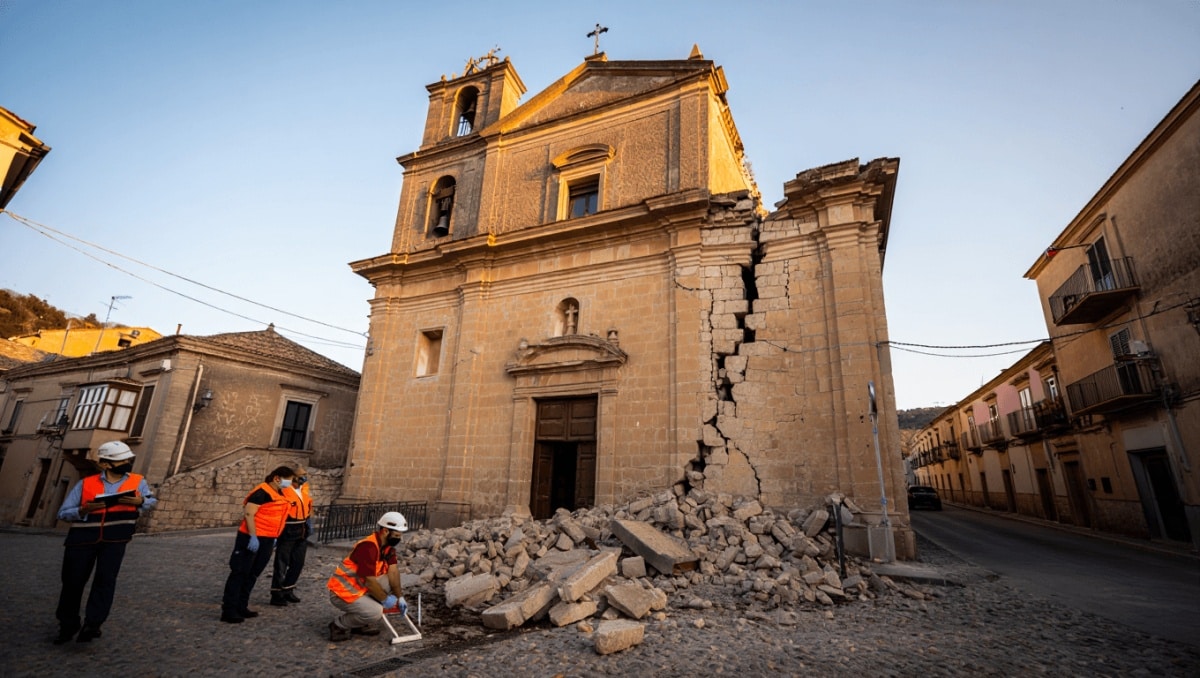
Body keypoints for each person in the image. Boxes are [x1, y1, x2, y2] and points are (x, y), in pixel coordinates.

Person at [54, 440, 157, 644]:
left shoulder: (138, 481)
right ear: (106, 464)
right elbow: (63, 513)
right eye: (121, 460)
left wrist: (141, 501)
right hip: (81, 541)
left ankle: (93, 625)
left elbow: (151, 501)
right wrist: (83, 510)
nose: (127, 462)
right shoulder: (86, 484)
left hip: (115, 540)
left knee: (105, 582)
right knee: (72, 584)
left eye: (127, 459)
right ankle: (67, 625)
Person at [220, 466, 293, 623]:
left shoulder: (280, 493)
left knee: (253, 573)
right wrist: (253, 536)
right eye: (288, 480)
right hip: (251, 537)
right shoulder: (262, 492)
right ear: (276, 478)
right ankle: (229, 609)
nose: (289, 483)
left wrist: (274, 538)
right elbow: (249, 513)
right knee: (240, 572)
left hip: (268, 538)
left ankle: (242, 605)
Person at [326, 511, 408, 641]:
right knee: (375, 612)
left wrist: (400, 597)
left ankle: (360, 622)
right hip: (343, 592)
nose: (399, 539)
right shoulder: (368, 547)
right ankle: (338, 625)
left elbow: (393, 572)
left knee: (388, 580)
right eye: (397, 535)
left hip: (360, 587)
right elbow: (369, 581)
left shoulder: (388, 548)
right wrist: (384, 599)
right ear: (385, 531)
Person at [269, 465, 313, 606]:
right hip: (288, 528)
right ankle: (276, 593)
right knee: (281, 563)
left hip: (302, 528)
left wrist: (309, 523)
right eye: (302, 474)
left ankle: (288, 589)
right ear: (293, 476)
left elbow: (307, 506)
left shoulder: (304, 489)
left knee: (298, 562)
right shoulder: (284, 489)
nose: (305, 476)